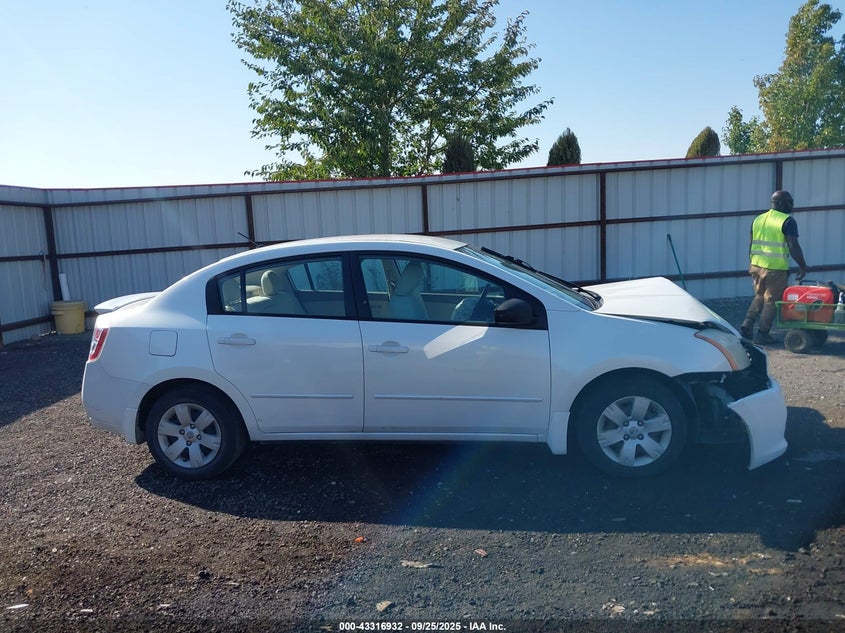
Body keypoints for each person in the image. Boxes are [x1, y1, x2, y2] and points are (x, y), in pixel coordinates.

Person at [740, 190, 808, 344]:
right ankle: (763, 334)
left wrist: (752, 262)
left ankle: (747, 323)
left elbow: (751, 243)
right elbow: (793, 246)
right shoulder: (787, 221)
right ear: (782, 203)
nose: (792, 205)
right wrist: (802, 266)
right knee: (771, 301)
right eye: (790, 202)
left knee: (759, 296)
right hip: (775, 269)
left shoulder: (758, 219)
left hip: (756, 265)